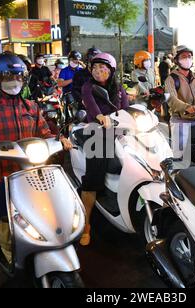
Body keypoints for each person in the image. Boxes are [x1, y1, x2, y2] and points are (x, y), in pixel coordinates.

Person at [0, 53, 72, 288]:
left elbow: (45, 132)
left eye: (18, 76)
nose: (13, 81)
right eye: (7, 76)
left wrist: (60, 139)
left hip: (30, 174)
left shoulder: (32, 107)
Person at [79, 53, 129, 246]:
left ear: (111, 70)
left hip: (119, 134)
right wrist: (101, 117)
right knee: (93, 180)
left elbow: (126, 108)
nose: (99, 71)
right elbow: (91, 107)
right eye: (95, 68)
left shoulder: (118, 89)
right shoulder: (88, 87)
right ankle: (86, 225)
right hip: (97, 133)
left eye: (103, 68)